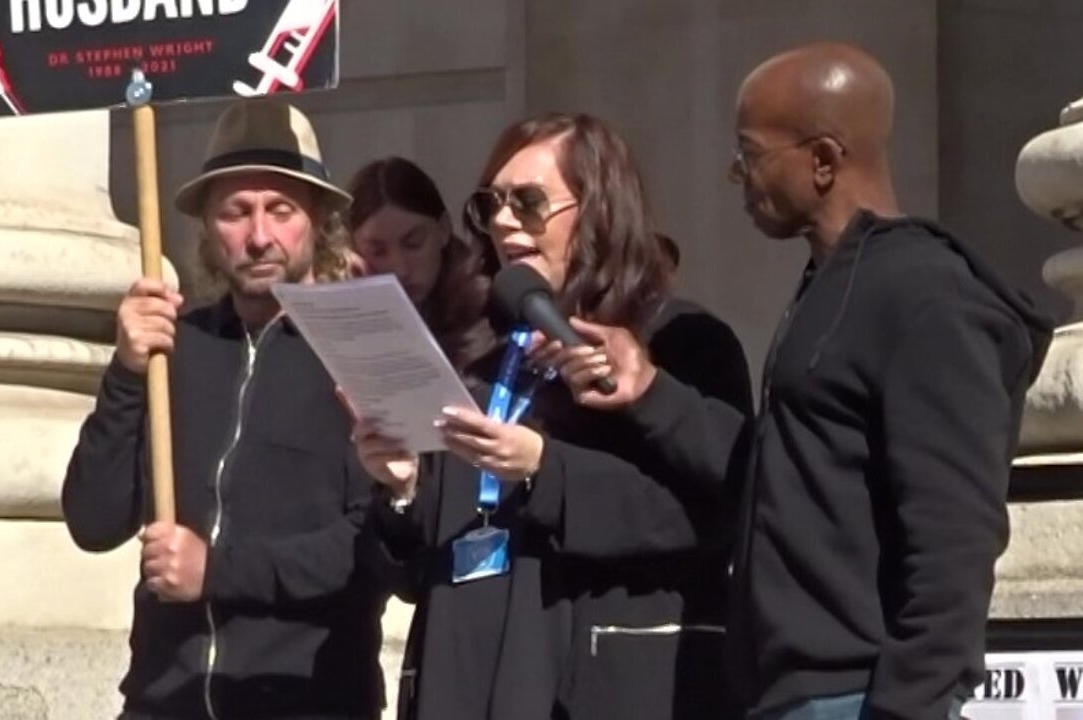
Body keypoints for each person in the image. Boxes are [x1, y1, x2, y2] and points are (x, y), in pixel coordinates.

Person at [350, 112, 754, 720]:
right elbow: (413, 570)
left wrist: (545, 472)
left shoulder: (678, 340)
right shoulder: (474, 350)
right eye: (491, 204)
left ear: (598, 211)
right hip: (465, 682)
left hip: (600, 684)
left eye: (529, 201)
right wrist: (401, 490)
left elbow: (712, 513)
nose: (505, 220)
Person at [715, 42, 1053, 719]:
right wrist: (648, 393)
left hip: (861, 697)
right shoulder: (835, 285)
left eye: (751, 156)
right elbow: (790, 471)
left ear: (823, 160)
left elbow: (954, 539)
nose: (739, 177)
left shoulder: (928, 297)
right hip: (792, 693)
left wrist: (905, 707)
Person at [62, 98, 387, 719]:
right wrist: (127, 370)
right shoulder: (179, 350)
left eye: (280, 210)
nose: (259, 235)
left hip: (305, 701)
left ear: (317, 220)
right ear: (208, 228)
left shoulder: (359, 348)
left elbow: (373, 551)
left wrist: (219, 572)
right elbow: (94, 518)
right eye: (235, 212)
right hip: (165, 699)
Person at [345, 156, 495, 374]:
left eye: (413, 244)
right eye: (378, 251)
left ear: (443, 230)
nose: (400, 269)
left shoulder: (489, 312)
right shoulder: (347, 312)